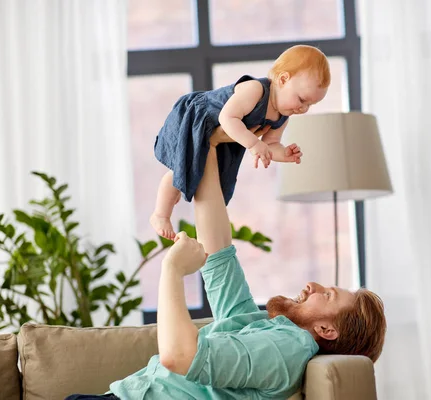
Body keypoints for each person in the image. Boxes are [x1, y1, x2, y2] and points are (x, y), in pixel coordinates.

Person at [66, 127, 387, 400]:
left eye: (327, 295)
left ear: (326, 330)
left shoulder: (284, 350)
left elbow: (179, 357)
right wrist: (209, 143)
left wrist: (173, 270)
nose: (311, 286)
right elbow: (218, 256)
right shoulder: (268, 330)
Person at [150, 44, 331, 240]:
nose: (303, 108)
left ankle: (176, 192)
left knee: (204, 177)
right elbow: (228, 118)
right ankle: (160, 214)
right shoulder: (255, 90)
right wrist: (253, 144)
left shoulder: (283, 115)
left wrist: (283, 154)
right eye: (302, 99)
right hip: (201, 119)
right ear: (283, 79)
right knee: (183, 168)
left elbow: (270, 144)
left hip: (230, 139)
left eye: (310, 105)